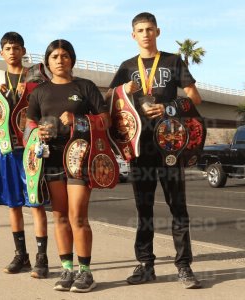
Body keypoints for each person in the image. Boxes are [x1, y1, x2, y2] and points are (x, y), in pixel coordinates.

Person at [109, 12, 202, 289]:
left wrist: (168, 107)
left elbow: (195, 99)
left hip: (171, 144)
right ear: (133, 35)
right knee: (143, 208)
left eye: (150, 29)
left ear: (158, 32)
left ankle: (184, 266)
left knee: (178, 207)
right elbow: (109, 103)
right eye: (140, 30)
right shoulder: (127, 67)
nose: (146, 34)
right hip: (140, 147)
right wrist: (123, 89)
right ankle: (146, 264)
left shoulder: (173, 61)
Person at [26, 39, 110, 293]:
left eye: (64, 55)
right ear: (48, 61)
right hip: (51, 159)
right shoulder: (39, 92)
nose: (60, 60)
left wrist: (80, 119)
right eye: (54, 56)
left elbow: (106, 120)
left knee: (78, 216)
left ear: (72, 59)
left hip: (80, 159)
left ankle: (85, 272)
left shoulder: (85, 87)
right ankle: (66, 268)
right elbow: (28, 124)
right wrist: (36, 132)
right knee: (60, 216)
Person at [0, 32, 49, 279]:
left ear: (24, 50)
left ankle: (42, 258)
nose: (12, 51)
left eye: (16, 47)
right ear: (1, 53)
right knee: (13, 205)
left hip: (31, 149)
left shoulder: (36, 76)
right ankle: (21, 256)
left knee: (35, 203)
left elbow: (48, 108)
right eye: (8, 48)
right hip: (7, 149)